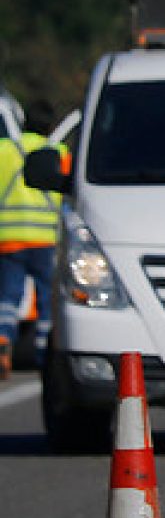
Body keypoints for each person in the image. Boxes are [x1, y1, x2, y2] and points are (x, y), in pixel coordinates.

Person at [0, 99, 67, 380]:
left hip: (8, 237)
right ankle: (44, 352)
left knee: (8, 295)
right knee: (47, 298)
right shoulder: (58, 152)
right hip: (45, 238)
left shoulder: (4, 150)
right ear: (51, 127)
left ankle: (2, 339)